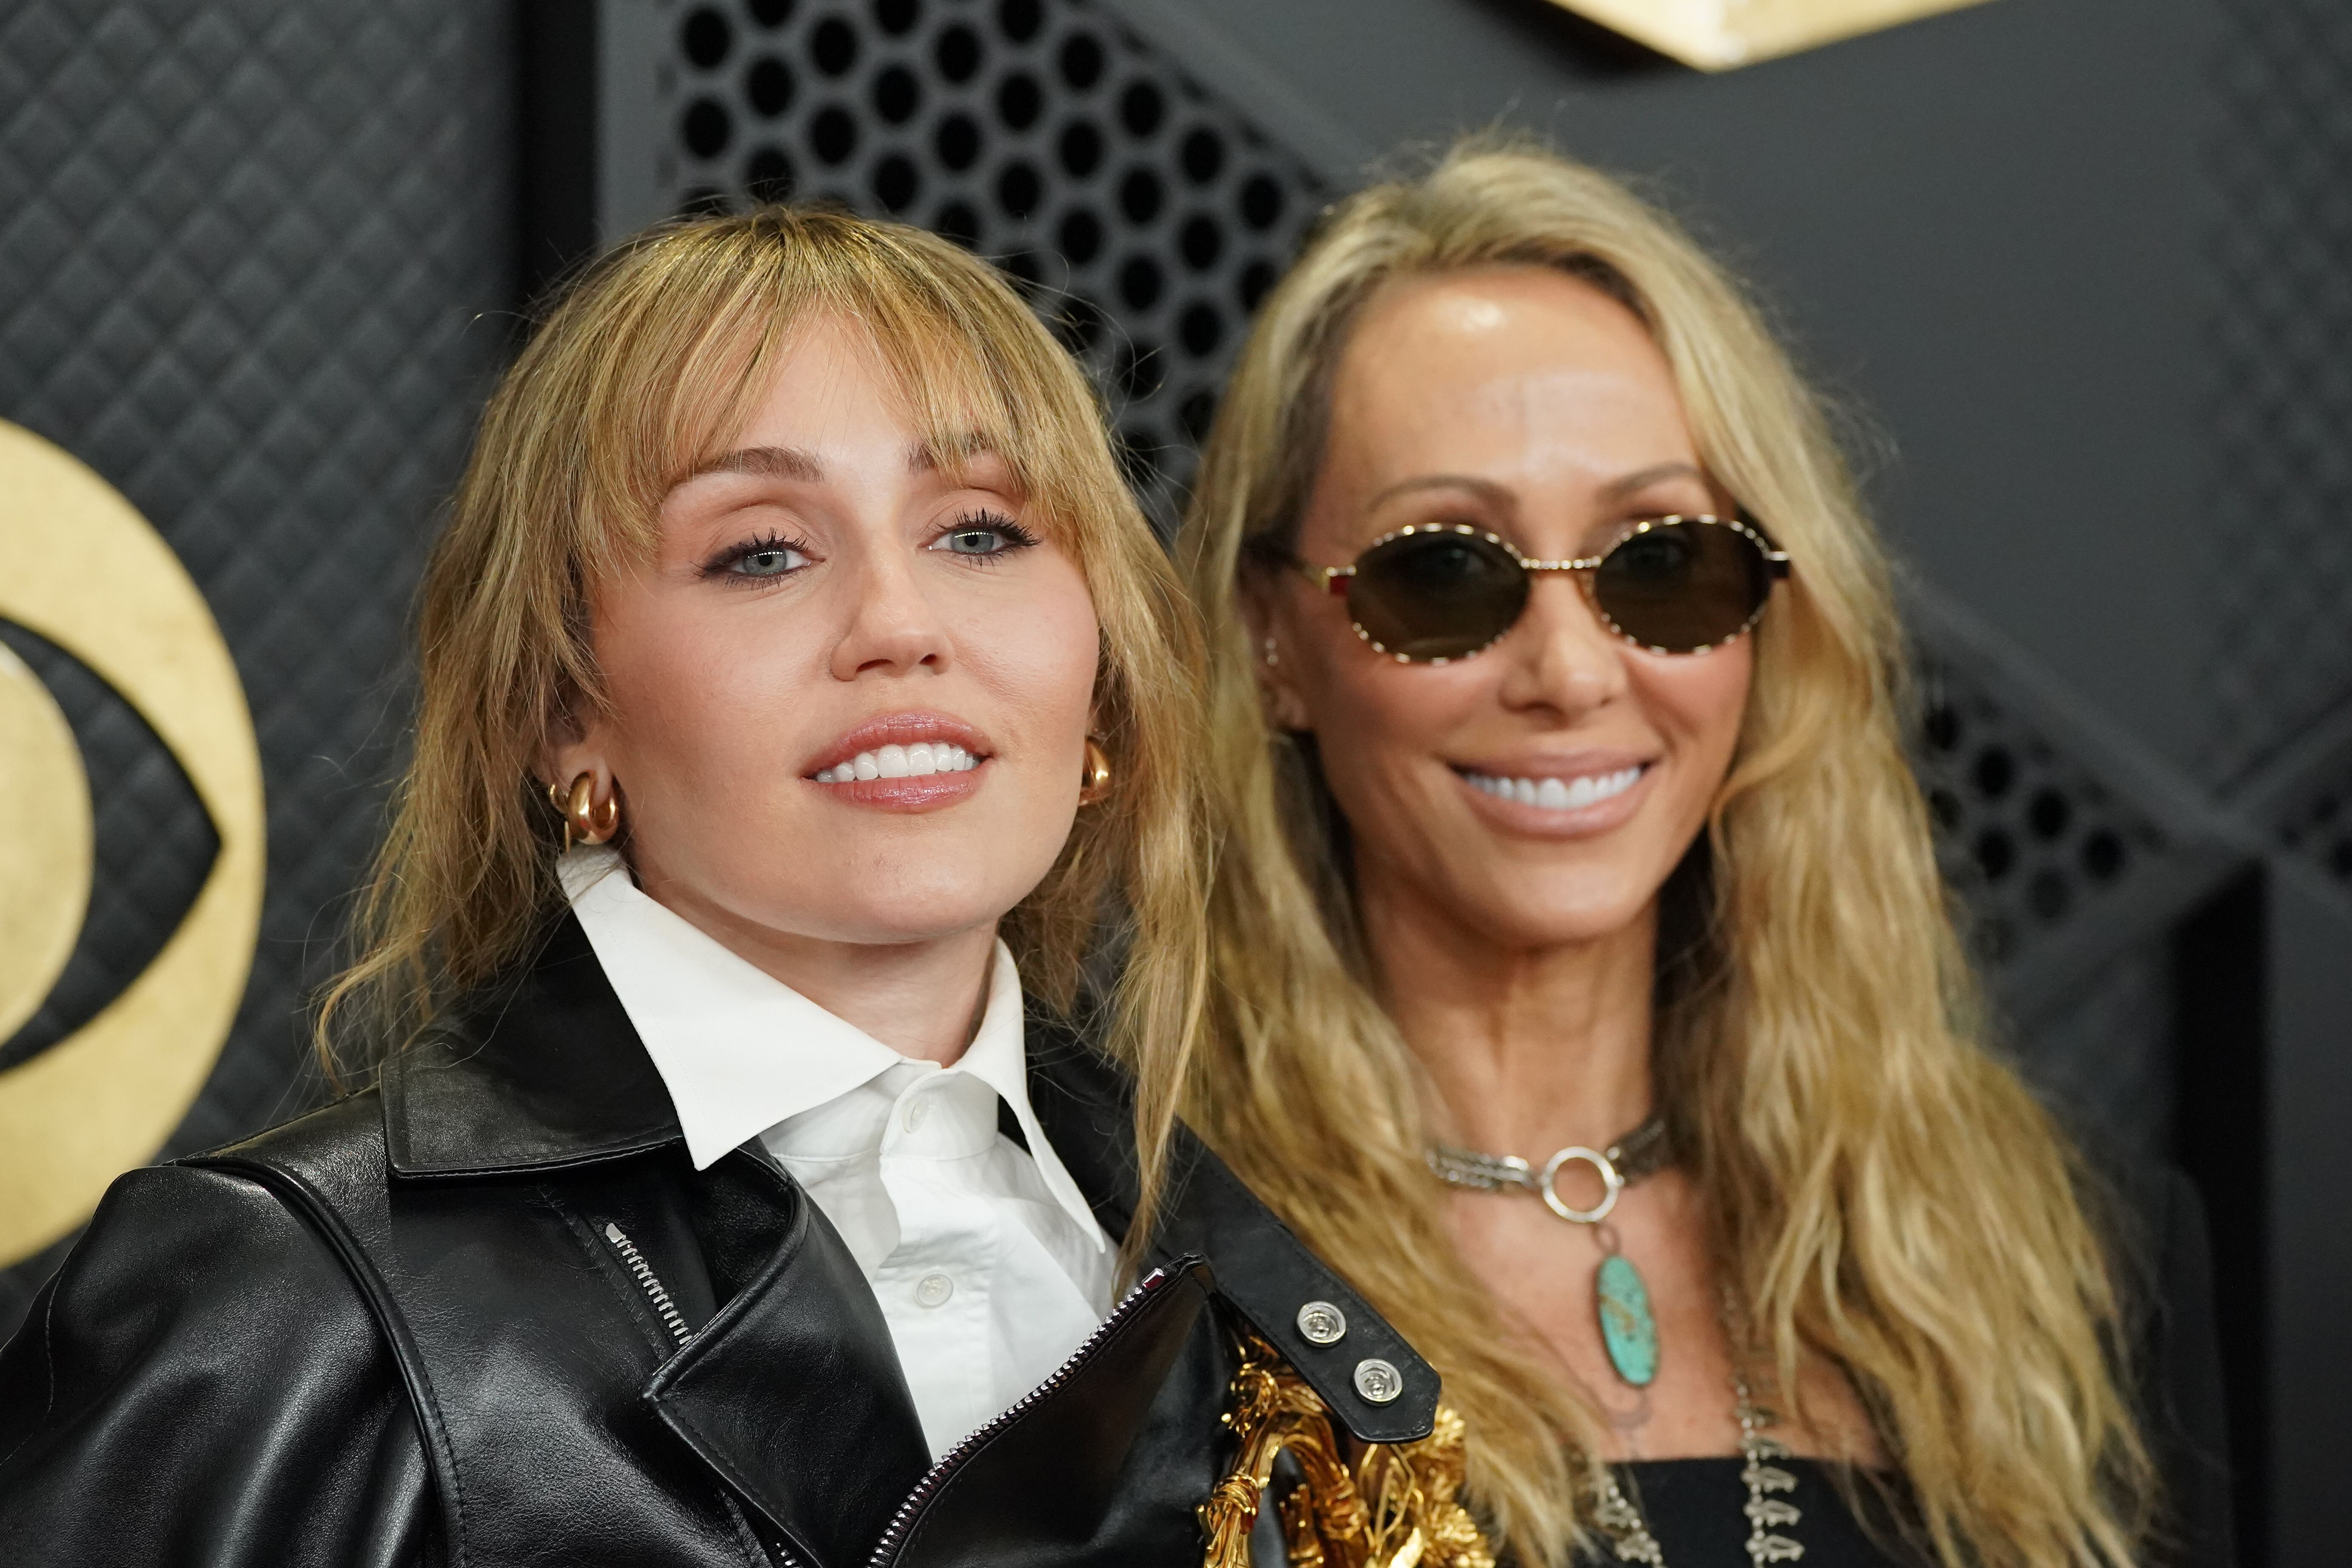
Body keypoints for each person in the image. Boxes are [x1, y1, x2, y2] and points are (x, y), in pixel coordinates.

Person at [0, 207, 1444, 1567]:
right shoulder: (280, 1305)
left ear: (1102, 672)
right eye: (761, 553)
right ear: (563, 707)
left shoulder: (1273, 1291)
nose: (899, 623)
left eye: (978, 532)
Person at [1175, 141, 2230, 1568]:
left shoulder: (2070, 1258)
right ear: (1272, 639)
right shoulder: (1142, 1295)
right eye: (1443, 570)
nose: (1570, 672)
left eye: (1660, 562)